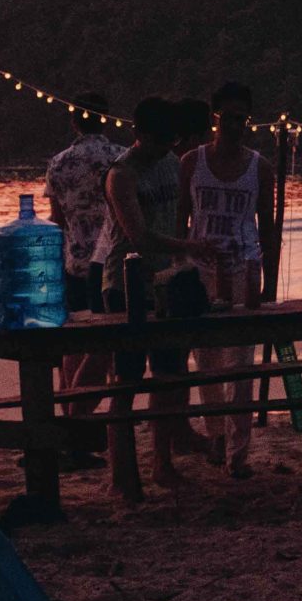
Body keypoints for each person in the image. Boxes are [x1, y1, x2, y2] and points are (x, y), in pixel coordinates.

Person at [93, 98, 216, 492]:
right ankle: (122, 475)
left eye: (171, 140)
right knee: (126, 381)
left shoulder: (170, 164)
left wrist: (185, 257)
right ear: (139, 134)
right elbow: (137, 235)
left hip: (167, 281)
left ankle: (163, 464)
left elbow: (179, 214)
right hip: (125, 283)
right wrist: (188, 245)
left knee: (168, 376)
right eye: (159, 140)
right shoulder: (121, 175)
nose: (166, 147)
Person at [178, 81, 276, 479]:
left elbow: (267, 227)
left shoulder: (259, 167)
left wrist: (268, 281)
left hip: (243, 268)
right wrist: (180, 264)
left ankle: (239, 450)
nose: (236, 125)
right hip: (201, 271)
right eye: (229, 118)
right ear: (215, 118)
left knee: (241, 363)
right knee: (207, 360)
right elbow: (181, 219)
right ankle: (216, 433)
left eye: (243, 118)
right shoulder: (192, 162)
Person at [44, 93, 124, 435]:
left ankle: (74, 421)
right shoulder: (120, 157)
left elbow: (57, 219)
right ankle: (92, 418)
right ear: (105, 119)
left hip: (74, 260)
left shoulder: (59, 163)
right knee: (109, 346)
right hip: (111, 261)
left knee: (74, 346)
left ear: (74, 121)